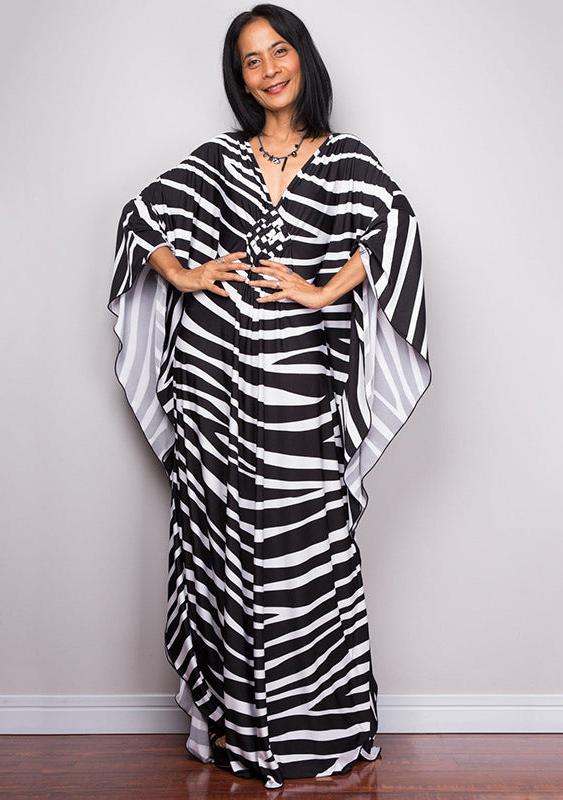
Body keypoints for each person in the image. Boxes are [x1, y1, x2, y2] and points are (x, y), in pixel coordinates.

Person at [108, 3, 432, 789]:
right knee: (223, 547)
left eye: (277, 51)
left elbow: (395, 229)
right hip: (214, 386)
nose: (268, 69)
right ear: (241, 80)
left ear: (301, 57)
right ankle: (240, 736)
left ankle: (312, 735)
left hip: (298, 391)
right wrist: (185, 272)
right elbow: (139, 216)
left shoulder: (345, 161)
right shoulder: (219, 160)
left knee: (302, 554)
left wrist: (321, 293)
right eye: (251, 60)